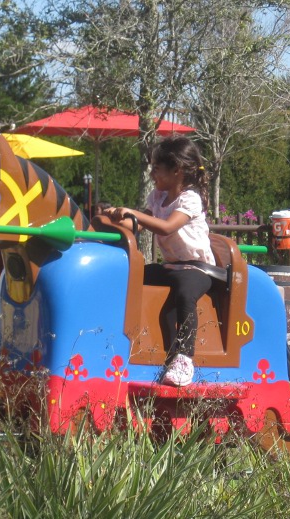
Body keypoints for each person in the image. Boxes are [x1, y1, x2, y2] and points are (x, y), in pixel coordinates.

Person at [104, 135, 214, 386]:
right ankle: (121, 337)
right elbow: (139, 224)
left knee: (185, 295)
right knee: (132, 275)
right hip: (171, 267)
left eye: (156, 168)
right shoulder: (157, 197)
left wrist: (134, 215)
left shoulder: (190, 199)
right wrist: (117, 217)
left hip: (197, 268)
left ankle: (184, 358)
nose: (152, 173)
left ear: (176, 170)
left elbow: (166, 227)